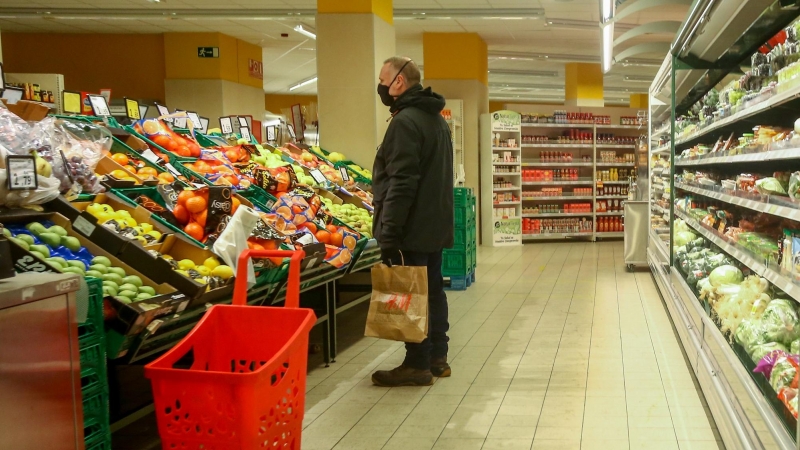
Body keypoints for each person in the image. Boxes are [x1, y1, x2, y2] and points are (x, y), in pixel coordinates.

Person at [370, 56, 455, 387]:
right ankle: (437, 358)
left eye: (383, 80)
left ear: (399, 83)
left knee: (411, 294)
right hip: (433, 224)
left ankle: (417, 363)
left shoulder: (406, 122)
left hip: (411, 227)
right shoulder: (436, 121)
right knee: (432, 291)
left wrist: (389, 232)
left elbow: (401, 182)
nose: (380, 86)